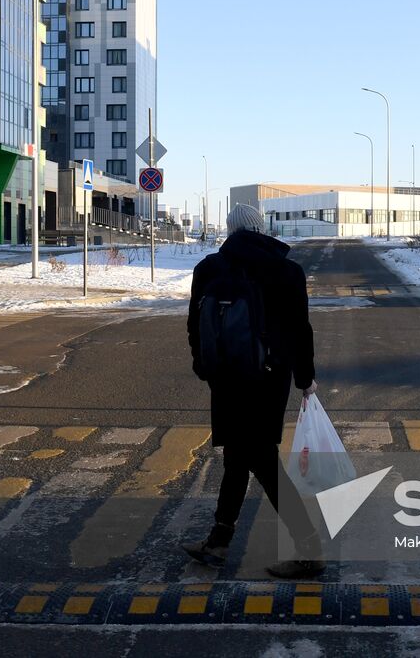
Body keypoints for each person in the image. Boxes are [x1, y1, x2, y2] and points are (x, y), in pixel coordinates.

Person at [182, 202, 323, 579]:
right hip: (268, 378)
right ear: (261, 229)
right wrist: (304, 378)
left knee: (252, 457)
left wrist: (204, 367)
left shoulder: (210, 268)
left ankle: (304, 545)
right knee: (246, 457)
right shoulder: (286, 270)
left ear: (230, 230)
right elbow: (300, 330)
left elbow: (195, 324)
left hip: (226, 378)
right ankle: (221, 540)